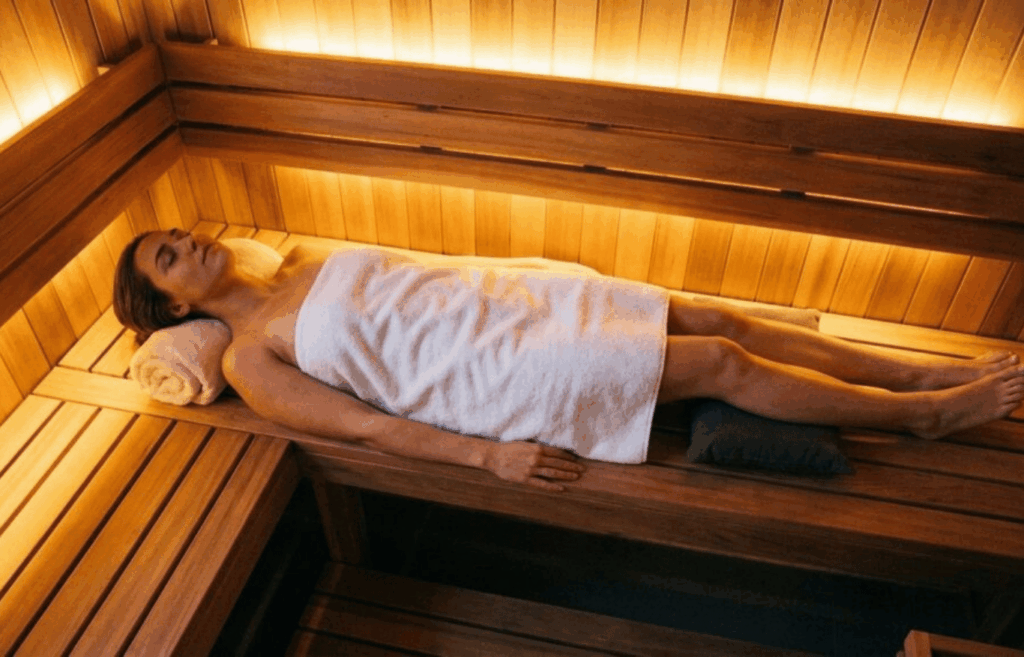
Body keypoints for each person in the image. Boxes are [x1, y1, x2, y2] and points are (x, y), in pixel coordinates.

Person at [114, 228, 1024, 491]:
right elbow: (359, 424)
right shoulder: (251, 358)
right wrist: (486, 456)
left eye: (180, 235)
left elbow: (432, 273)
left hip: (515, 308)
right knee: (718, 360)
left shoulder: (305, 264)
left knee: (717, 314)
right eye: (169, 257)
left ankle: (914, 371)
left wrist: (538, 276)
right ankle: (924, 415)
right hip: (493, 374)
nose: (189, 243)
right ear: (176, 307)